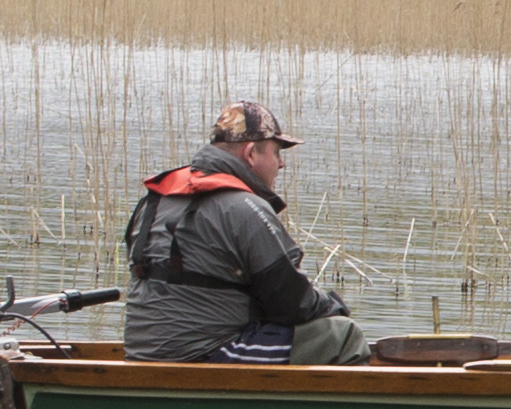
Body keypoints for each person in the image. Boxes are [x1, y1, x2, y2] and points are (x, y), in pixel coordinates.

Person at [124, 102, 372, 361]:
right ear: (251, 153)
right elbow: (293, 303)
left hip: (140, 354)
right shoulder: (244, 207)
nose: (281, 164)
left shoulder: (153, 201)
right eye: (276, 152)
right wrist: (334, 306)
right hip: (205, 355)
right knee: (343, 335)